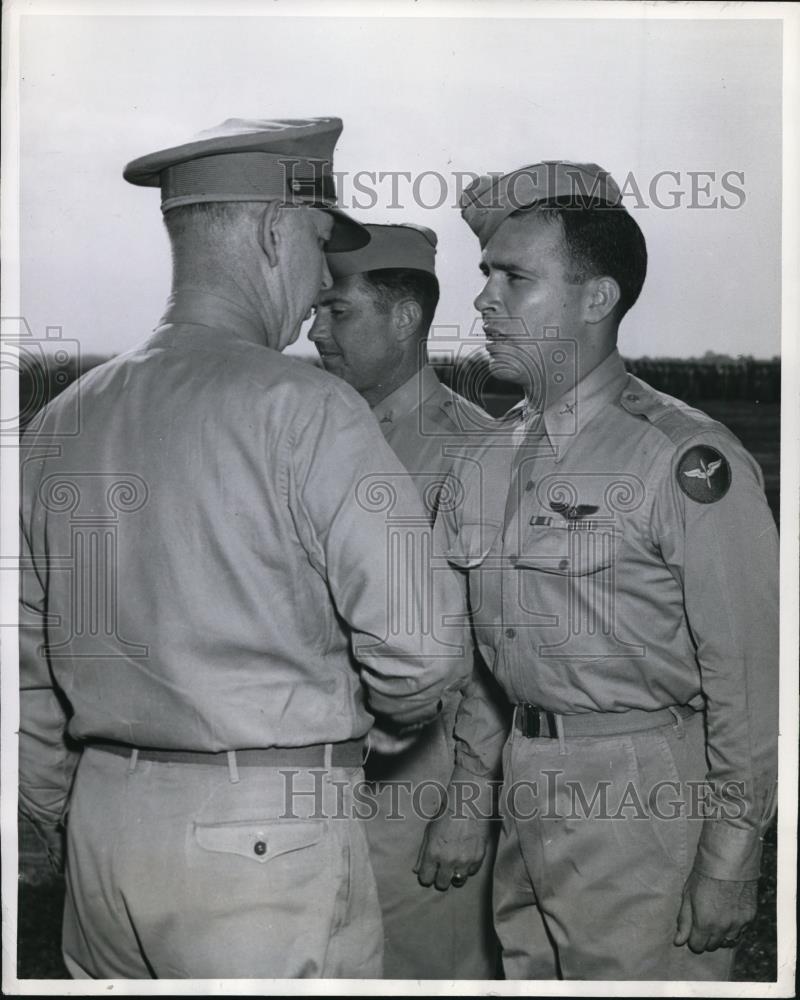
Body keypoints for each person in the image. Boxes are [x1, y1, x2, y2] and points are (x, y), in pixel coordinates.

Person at [18, 118, 470, 980]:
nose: (313, 295)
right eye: (314, 245)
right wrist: (369, 737)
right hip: (265, 834)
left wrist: (65, 806)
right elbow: (425, 649)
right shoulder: (306, 406)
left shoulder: (63, 417)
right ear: (273, 233)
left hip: (102, 831)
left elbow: (26, 669)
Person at [434, 161, 779, 980]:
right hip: (528, 782)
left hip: (646, 790)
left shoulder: (681, 457)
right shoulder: (487, 456)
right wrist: (466, 789)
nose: (483, 299)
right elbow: (490, 661)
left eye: (513, 278)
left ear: (598, 299)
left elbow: (750, 677)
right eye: (485, 275)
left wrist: (731, 855)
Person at [308, 223, 507, 979]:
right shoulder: (309, 433)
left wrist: (467, 802)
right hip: (309, 784)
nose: (315, 329)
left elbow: (499, 649)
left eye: (338, 311)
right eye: (315, 310)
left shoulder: (475, 452)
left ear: (404, 317)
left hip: (419, 797)